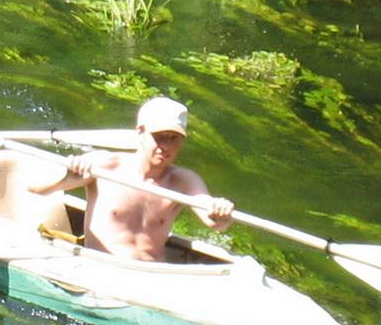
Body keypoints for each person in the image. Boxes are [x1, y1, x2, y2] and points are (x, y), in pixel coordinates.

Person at [31, 96, 233, 262]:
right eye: (159, 136)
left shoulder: (183, 181)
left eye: (174, 138)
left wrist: (220, 212)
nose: (166, 146)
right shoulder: (105, 165)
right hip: (99, 266)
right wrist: (66, 179)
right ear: (140, 132)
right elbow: (36, 188)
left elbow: (214, 221)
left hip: (152, 273)